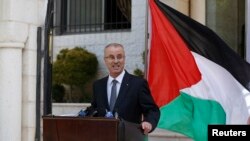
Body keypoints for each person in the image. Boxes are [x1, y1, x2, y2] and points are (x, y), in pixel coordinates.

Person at [90, 43, 160, 135]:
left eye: (119, 57)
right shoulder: (98, 85)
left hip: (130, 137)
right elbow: (94, 109)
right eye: (111, 57)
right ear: (105, 60)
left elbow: (152, 110)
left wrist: (148, 122)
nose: (116, 61)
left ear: (124, 58)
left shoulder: (138, 84)